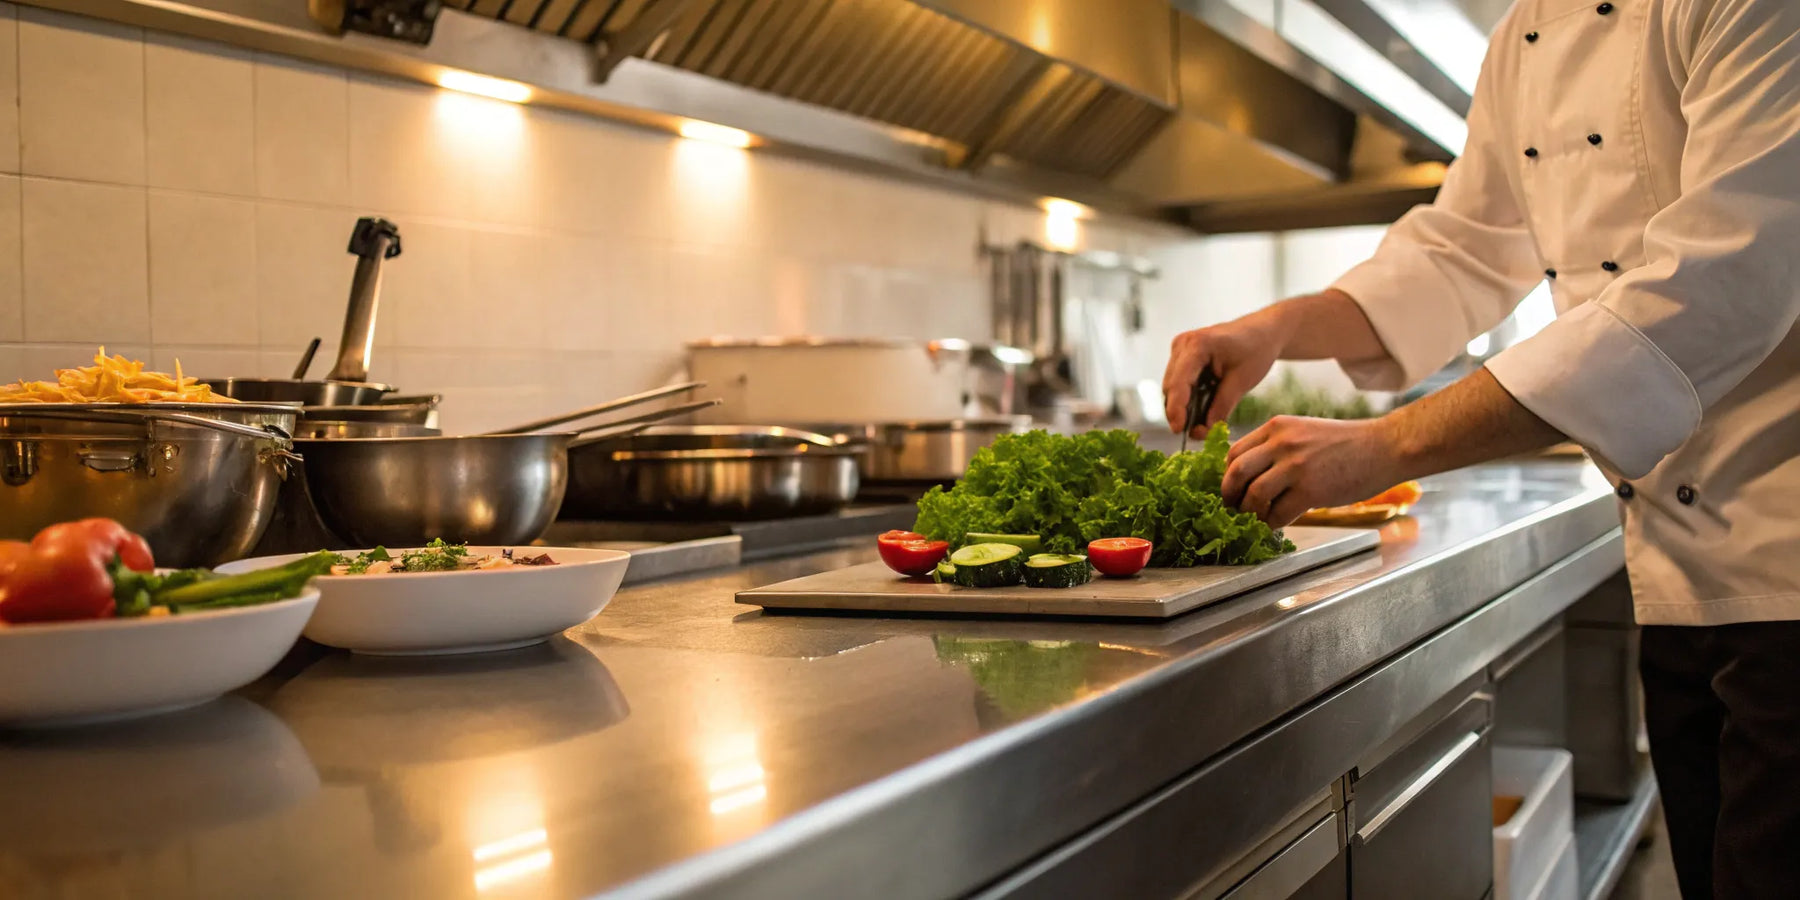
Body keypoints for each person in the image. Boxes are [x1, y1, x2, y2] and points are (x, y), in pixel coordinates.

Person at [1161, 0, 1800, 896]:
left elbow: (1717, 285)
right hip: (1681, 575)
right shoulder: (1524, 33)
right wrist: (1276, 327)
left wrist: (1382, 447)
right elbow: (1461, 250)